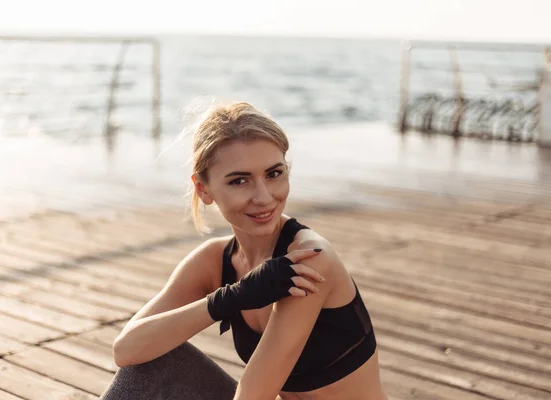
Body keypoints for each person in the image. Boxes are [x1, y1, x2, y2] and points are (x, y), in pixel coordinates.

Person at [100, 102, 387, 400]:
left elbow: (252, 395)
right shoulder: (213, 260)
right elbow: (126, 350)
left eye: (274, 174)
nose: (263, 197)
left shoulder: (310, 259)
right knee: (151, 362)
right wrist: (230, 298)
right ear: (203, 189)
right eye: (240, 180)